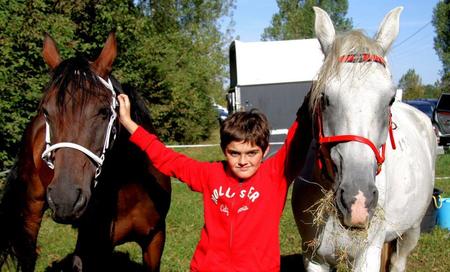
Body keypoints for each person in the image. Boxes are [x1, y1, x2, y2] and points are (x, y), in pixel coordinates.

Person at [118, 93, 312, 272]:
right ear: (223, 149)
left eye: (252, 153)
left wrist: (312, 99)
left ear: (265, 151)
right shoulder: (211, 174)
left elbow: (300, 137)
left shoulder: (275, 174)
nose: (243, 161)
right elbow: (167, 158)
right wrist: (128, 123)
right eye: (234, 153)